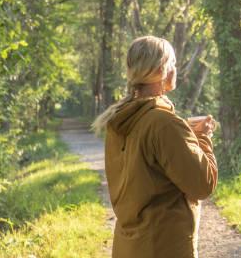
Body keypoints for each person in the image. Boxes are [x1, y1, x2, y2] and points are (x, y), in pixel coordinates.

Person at [91, 35, 218, 258]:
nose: (176, 70)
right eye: (174, 64)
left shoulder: (119, 120)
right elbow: (202, 185)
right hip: (164, 247)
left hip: (128, 247)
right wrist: (204, 137)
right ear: (162, 70)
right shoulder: (164, 124)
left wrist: (185, 132)